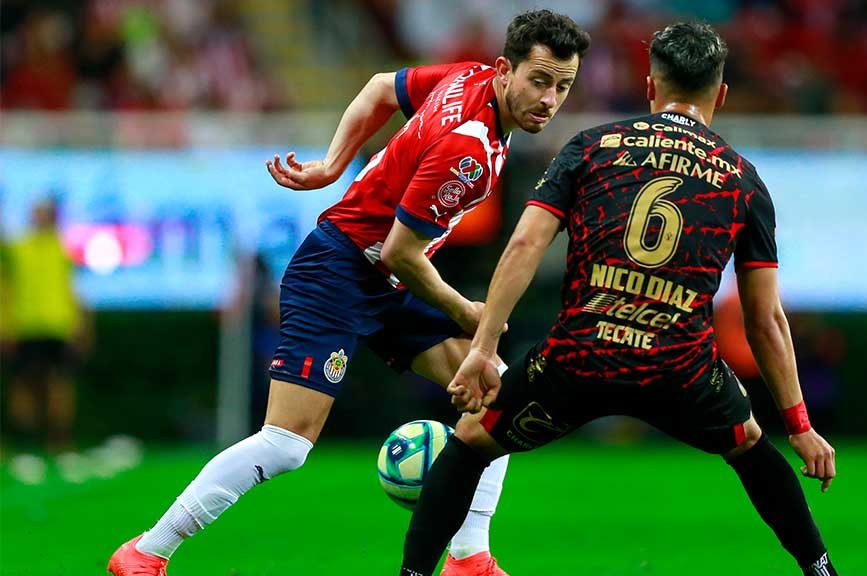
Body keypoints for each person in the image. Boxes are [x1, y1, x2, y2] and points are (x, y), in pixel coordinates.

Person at [108, 10, 590, 576]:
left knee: (495, 392)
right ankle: (146, 552)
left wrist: (333, 164)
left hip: (385, 276)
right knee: (287, 444)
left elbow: (381, 88)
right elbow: (399, 252)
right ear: (506, 70)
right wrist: (466, 310)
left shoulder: (468, 76)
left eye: (562, 87)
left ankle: (469, 559)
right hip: (338, 270)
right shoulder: (468, 151)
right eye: (539, 81)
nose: (549, 99)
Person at [400, 21, 840, 576]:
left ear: (650, 86)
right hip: (680, 369)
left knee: (469, 442)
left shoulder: (592, 146)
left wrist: (484, 347)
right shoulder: (743, 181)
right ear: (721, 94)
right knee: (749, 444)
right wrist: (799, 425)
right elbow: (764, 318)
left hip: (580, 357)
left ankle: (414, 574)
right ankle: (822, 571)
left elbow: (525, 245)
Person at [3, 198, 89, 464]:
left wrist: (80, 323)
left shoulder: (63, 250)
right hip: (25, 326)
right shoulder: (17, 249)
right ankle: (22, 440)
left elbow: (71, 289)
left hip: (57, 326)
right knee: (23, 386)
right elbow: (6, 287)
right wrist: (5, 325)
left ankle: (59, 441)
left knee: (59, 385)